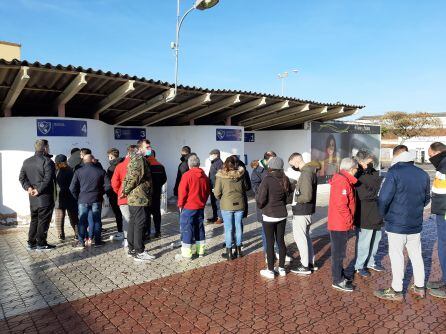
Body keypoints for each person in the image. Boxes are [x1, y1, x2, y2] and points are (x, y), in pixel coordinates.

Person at [374, 146, 430, 301]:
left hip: (396, 224)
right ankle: (419, 287)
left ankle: (397, 290)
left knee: (397, 256)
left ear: (396, 156)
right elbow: (427, 199)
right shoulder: (422, 173)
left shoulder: (394, 172)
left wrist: (383, 215)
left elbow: (384, 198)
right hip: (415, 223)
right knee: (416, 255)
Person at [256, 157, 292, 279]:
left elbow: (261, 200)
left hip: (269, 215)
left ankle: (270, 270)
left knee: (270, 243)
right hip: (282, 214)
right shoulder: (285, 178)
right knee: (281, 241)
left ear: (270, 167)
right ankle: (281, 268)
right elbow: (288, 198)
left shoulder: (267, 180)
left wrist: (261, 206)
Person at [19, 139, 56, 251]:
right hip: (44, 197)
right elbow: (48, 179)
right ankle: (41, 243)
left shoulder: (27, 161)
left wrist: (29, 188)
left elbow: (22, 178)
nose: (49, 148)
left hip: (33, 198)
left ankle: (31, 243)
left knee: (34, 220)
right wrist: (37, 190)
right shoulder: (48, 161)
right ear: (45, 148)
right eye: (48, 147)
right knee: (43, 221)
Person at [327, 158, 358, 292]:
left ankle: (339, 274)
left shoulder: (343, 180)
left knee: (340, 252)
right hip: (339, 223)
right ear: (351, 169)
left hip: (341, 222)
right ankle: (337, 280)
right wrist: (349, 220)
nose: (357, 171)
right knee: (338, 253)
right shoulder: (341, 181)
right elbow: (341, 205)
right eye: (356, 169)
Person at [288, 153, 320, 275]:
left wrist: (296, 197)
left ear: (296, 161)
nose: (293, 168)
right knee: (305, 237)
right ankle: (310, 263)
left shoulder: (306, 173)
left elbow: (306, 196)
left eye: (292, 165)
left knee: (300, 238)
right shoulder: (309, 171)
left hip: (302, 209)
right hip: (305, 210)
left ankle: (305, 265)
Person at [353, 150, 384, 277]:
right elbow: (365, 195)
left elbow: (377, 191)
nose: (372, 163)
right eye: (369, 161)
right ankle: (359, 266)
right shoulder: (357, 176)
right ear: (361, 162)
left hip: (376, 212)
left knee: (376, 239)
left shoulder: (375, 173)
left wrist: (376, 191)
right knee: (364, 242)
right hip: (364, 213)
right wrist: (376, 191)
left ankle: (371, 261)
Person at [122, 142, 155, 261]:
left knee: (134, 222)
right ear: (140, 148)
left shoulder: (136, 158)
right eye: (147, 147)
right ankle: (139, 251)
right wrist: (125, 191)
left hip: (136, 197)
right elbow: (133, 178)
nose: (149, 149)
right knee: (140, 223)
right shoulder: (139, 159)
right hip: (139, 197)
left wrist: (125, 191)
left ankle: (131, 249)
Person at [70, 154, 110, 248]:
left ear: (84, 161)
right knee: (97, 220)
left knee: (82, 221)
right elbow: (108, 186)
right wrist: (100, 193)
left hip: (83, 199)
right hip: (96, 198)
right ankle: (98, 242)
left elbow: (72, 188)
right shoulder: (101, 171)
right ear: (92, 160)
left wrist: (78, 197)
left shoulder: (78, 171)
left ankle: (81, 242)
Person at [214, 156, 249, 260]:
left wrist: (222, 197)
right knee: (238, 227)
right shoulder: (241, 174)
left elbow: (217, 193)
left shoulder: (220, 176)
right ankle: (238, 251)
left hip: (226, 204)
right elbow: (246, 188)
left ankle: (229, 253)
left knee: (228, 229)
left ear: (226, 164)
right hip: (239, 204)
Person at [177, 155, 211, 259]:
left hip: (189, 207)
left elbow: (182, 192)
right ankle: (200, 251)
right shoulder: (204, 176)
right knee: (199, 228)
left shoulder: (187, 175)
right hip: (200, 207)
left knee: (187, 229)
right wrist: (203, 203)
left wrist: (180, 204)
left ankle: (186, 254)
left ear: (189, 164)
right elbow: (207, 192)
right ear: (198, 164)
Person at [427, 141, 446, 298]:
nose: (430, 159)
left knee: (444, 247)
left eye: (430, 155)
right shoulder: (442, 164)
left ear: (437, 153)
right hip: (441, 212)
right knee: (442, 247)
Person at [111, 145, 137, 248]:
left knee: (127, 219)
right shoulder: (140, 165)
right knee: (137, 219)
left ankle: (127, 240)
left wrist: (120, 192)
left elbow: (114, 183)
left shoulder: (120, 166)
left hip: (123, 198)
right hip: (137, 198)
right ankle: (137, 239)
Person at [54, 154, 78, 241]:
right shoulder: (71, 170)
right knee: (73, 216)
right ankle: (77, 234)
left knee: (60, 216)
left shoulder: (55, 171)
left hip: (59, 196)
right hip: (70, 196)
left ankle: (61, 235)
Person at [146, 149, 167, 239]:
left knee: (146, 213)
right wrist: (158, 186)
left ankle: (147, 232)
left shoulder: (145, 165)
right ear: (154, 155)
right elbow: (164, 179)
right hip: (156, 193)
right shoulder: (160, 166)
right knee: (156, 213)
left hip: (146, 194)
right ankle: (158, 231)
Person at [106, 148, 124, 241]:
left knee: (118, 214)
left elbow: (110, 183)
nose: (108, 159)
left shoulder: (111, 168)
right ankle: (126, 231)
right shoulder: (125, 164)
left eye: (109, 157)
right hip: (125, 193)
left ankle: (121, 232)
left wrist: (110, 193)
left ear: (112, 156)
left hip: (115, 194)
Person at [208, 149, 224, 224]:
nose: (210, 156)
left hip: (216, 187)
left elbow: (220, 177)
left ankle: (220, 218)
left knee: (218, 203)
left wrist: (217, 187)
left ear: (216, 155)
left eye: (211, 155)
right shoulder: (214, 163)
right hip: (212, 186)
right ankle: (215, 216)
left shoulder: (219, 163)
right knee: (213, 202)